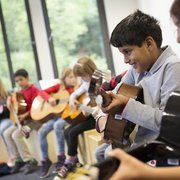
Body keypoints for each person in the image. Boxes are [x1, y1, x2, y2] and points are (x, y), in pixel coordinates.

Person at [106, 1, 180, 179]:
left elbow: (170, 125)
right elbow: (117, 93)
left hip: (160, 149)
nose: (125, 60)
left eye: (128, 52)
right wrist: (106, 107)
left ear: (149, 44)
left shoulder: (173, 68)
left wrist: (125, 106)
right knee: (104, 156)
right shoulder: (136, 69)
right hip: (141, 141)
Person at [54, 56, 98, 179]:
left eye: (84, 75)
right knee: (67, 131)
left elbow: (99, 108)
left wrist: (87, 110)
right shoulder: (87, 83)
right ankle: (75, 161)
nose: (83, 79)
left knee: (72, 132)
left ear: (90, 71)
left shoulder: (100, 82)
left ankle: (68, 163)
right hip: (91, 115)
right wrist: (73, 100)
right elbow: (74, 94)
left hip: (99, 117)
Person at [38, 67, 77, 178]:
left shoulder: (76, 89)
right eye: (70, 77)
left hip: (66, 117)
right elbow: (41, 92)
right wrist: (49, 99)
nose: (73, 79)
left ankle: (61, 156)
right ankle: (45, 160)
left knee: (57, 125)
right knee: (41, 131)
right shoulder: (59, 87)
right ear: (63, 78)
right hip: (55, 116)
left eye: (74, 76)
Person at [3, 69, 40, 174]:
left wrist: (25, 115)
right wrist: (10, 104)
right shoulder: (20, 93)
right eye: (17, 81)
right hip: (24, 121)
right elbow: (18, 110)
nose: (19, 83)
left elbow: (36, 108)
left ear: (27, 78)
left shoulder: (34, 90)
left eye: (21, 80)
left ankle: (30, 160)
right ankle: (19, 160)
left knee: (16, 135)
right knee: (6, 133)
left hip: (35, 120)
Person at [0, 79, 13, 166]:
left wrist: (9, 101)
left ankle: (11, 156)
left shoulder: (7, 95)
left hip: (7, 120)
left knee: (2, 130)